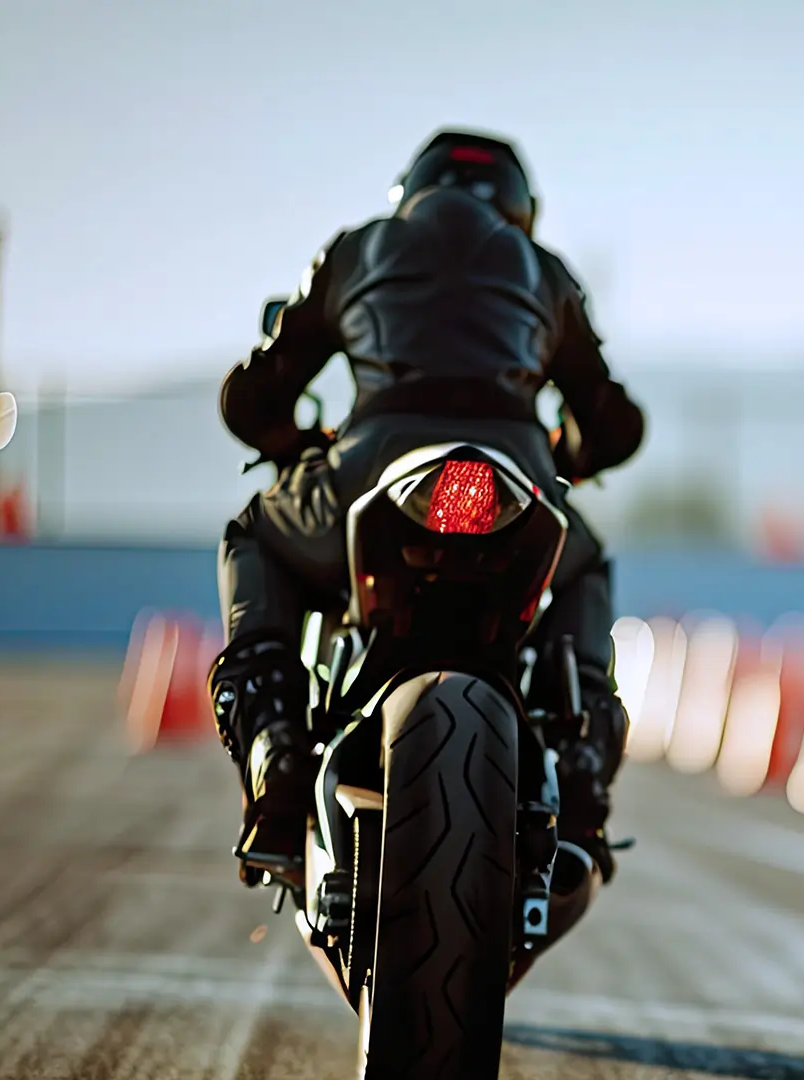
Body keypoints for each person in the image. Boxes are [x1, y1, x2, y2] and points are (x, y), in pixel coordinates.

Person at [209, 128, 644, 888]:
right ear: (521, 209)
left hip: (368, 471)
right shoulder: (545, 274)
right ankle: (580, 765)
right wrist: (566, 453)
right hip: (520, 483)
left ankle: (274, 737)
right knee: (586, 560)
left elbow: (253, 395)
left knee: (255, 532)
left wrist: (289, 437)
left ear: (411, 191)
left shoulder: (357, 250)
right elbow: (613, 423)